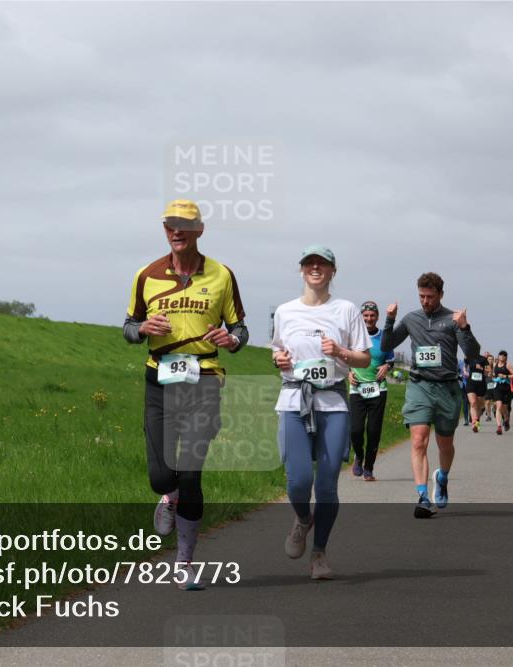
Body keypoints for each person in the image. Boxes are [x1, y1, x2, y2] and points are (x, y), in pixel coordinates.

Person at [123, 199, 248, 590]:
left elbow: (240, 329)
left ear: (199, 230)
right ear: (165, 230)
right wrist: (143, 329)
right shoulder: (146, 275)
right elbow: (128, 326)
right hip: (159, 382)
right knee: (162, 477)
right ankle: (168, 495)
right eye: (170, 225)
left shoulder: (222, 274)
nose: (177, 231)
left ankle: (184, 562)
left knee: (191, 474)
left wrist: (231, 340)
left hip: (204, 380)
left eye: (185, 225)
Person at [273, 246, 371, 579]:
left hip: (332, 403)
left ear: (333, 270)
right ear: (302, 270)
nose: (315, 268)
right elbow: (278, 350)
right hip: (293, 401)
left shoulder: (346, 310)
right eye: (309, 263)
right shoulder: (285, 311)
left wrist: (341, 352)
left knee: (327, 485)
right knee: (299, 480)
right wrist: (278, 360)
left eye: (322, 264)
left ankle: (319, 553)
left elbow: (364, 358)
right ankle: (303, 519)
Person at [381, 272, 480, 518]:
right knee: (418, 440)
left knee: (445, 444)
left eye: (430, 297)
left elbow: (472, 354)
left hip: (447, 388)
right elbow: (386, 346)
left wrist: (465, 327)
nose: (425, 301)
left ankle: (442, 478)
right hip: (419, 385)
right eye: (421, 296)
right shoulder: (411, 319)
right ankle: (423, 497)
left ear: (441, 295)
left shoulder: (452, 320)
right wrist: (389, 320)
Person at [348, 301, 395, 481]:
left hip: (378, 389)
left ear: (377, 317)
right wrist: (348, 373)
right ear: (361, 317)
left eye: (372, 315)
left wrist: (387, 366)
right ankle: (359, 456)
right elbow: (345, 358)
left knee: (374, 431)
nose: (369, 319)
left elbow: (390, 359)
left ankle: (369, 468)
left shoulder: (384, 337)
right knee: (356, 430)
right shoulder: (353, 336)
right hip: (357, 389)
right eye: (366, 315)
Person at [491, 350, 513, 435]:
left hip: (506, 388)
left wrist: (505, 376)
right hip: (497, 388)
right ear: (498, 356)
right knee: (499, 406)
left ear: (506, 357)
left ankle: (506, 420)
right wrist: (492, 375)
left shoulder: (508, 365)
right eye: (500, 355)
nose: (502, 357)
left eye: (504, 355)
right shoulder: (495, 365)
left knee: (504, 408)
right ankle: (499, 427)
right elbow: (494, 374)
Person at [465, 351, 490, 432]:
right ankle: (474, 423)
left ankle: (477, 422)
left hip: (480, 384)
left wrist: (481, 368)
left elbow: (489, 370)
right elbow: (465, 365)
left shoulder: (483, 359)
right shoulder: (469, 357)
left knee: (478, 405)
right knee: (473, 403)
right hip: (471, 383)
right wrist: (465, 371)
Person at [484, 353, 497, 421]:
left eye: (492, 359)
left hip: (495, 386)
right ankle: (488, 416)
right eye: (489, 359)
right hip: (487, 386)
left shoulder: (496, 367)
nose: (490, 360)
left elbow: (497, 374)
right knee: (487, 402)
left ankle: (494, 409)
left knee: (495, 403)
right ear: (487, 360)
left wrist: (493, 371)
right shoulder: (485, 367)